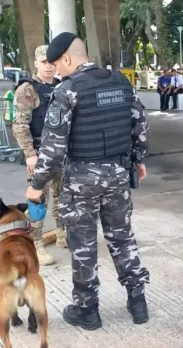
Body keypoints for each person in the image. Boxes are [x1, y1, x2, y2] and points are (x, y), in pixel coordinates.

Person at [25, 32, 151, 329]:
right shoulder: (121, 82)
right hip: (118, 174)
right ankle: (138, 300)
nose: (56, 71)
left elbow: (53, 146)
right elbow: (141, 125)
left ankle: (87, 310)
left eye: (57, 65)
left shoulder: (68, 90)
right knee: (122, 237)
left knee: (82, 244)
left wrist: (37, 183)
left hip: (81, 179)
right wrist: (138, 159)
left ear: (66, 59)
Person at [11, 45, 65, 266]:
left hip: (62, 152)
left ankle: (62, 234)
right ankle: (36, 243)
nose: (49, 66)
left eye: (52, 62)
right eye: (44, 62)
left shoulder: (62, 87)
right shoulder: (27, 90)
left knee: (64, 195)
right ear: (36, 63)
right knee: (37, 199)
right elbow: (20, 124)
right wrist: (30, 154)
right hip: (39, 153)